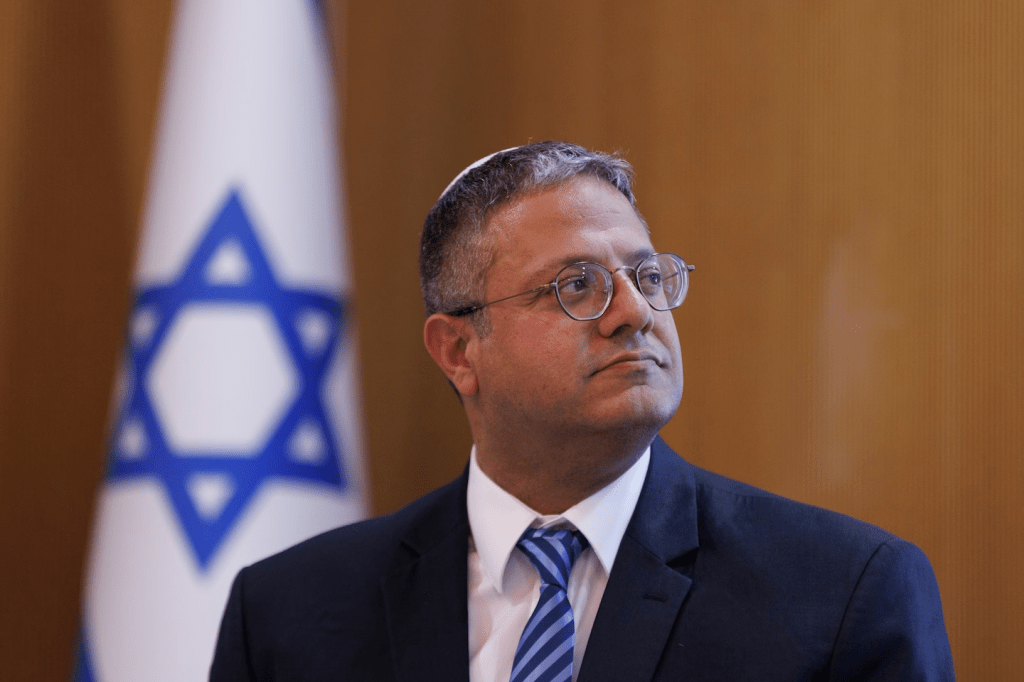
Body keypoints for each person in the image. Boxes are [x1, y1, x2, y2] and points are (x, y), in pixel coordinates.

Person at [210, 141, 955, 681]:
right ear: (458, 351)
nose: (635, 312)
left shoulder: (843, 594)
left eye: (648, 275)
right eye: (576, 285)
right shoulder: (287, 614)